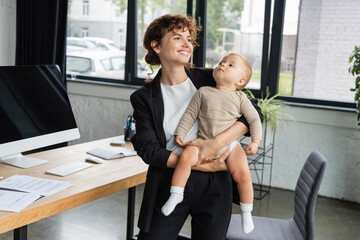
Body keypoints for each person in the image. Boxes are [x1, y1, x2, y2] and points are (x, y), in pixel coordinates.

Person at [130, 14, 263, 240]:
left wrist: (215, 144)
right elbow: (147, 149)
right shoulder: (143, 98)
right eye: (177, 37)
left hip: (216, 184)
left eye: (189, 38)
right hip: (170, 178)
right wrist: (200, 165)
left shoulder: (209, 78)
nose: (187, 44)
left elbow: (254, 112)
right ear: (156, 45)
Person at [161, 53, 262, 234]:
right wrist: (181, 133)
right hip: (202, 141)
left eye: (230, 65)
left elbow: (254, 119)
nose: (222, 65)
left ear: (240, 81)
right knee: (185, 157)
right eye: (221, 62)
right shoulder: (204, 92)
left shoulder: (240, 98)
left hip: (231, 146)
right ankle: (176, 194)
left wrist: (255, 141)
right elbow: (190, 115)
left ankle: (247, 212)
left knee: (244, 175)